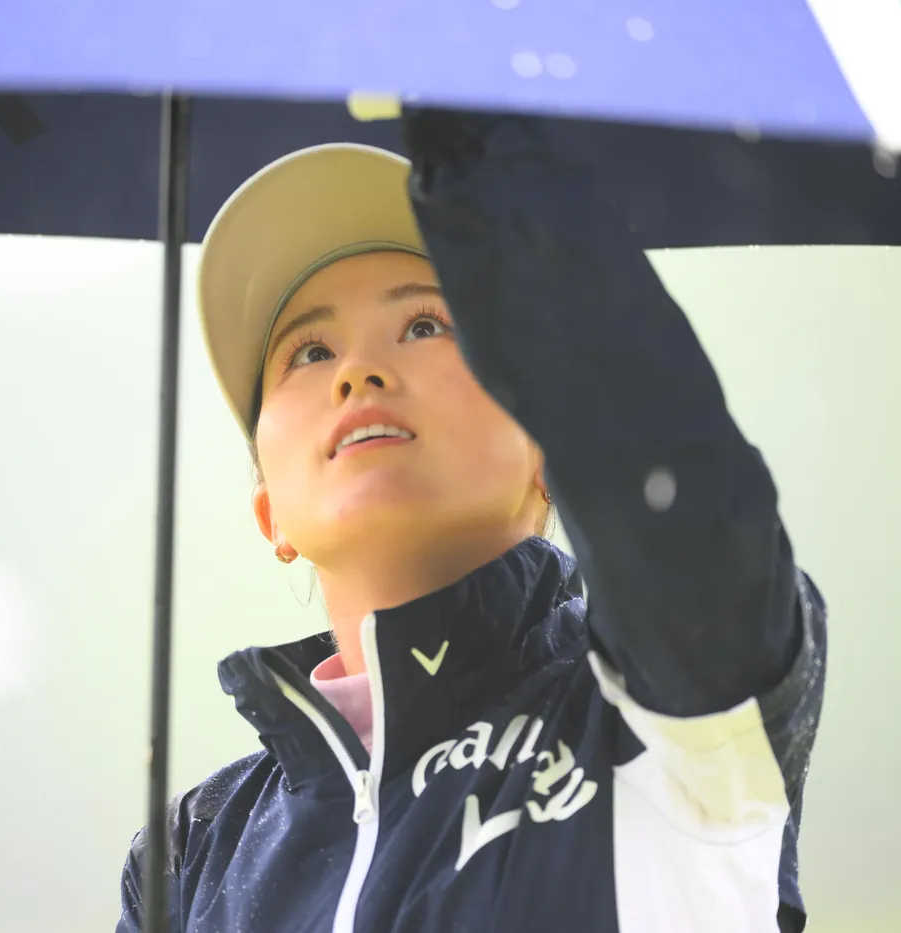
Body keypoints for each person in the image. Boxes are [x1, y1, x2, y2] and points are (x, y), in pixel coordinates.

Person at [115, 108, 827, 933]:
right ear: (270, 511)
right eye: (309, 352)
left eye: (425, 324)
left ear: (550, 449)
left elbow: (686, 516)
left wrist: (495, 165)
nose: (358, 371)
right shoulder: (192, 853)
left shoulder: (658, 716)